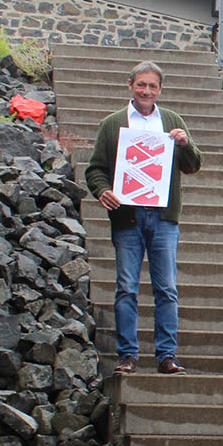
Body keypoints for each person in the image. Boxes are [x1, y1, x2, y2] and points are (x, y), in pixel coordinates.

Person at [85, 60, 202, 376]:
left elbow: (193, 165)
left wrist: (185, 143)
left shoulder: (172, 121)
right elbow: (94, 169)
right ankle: (127, 355)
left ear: (160, 89)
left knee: (166, 288)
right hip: (127, 217)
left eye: (152, 86)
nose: (146, 91)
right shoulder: (113, 124)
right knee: (126, 287)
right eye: (141, 84)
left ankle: (166, 354)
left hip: (163, 218)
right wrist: (102, 191)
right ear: (130, 85)